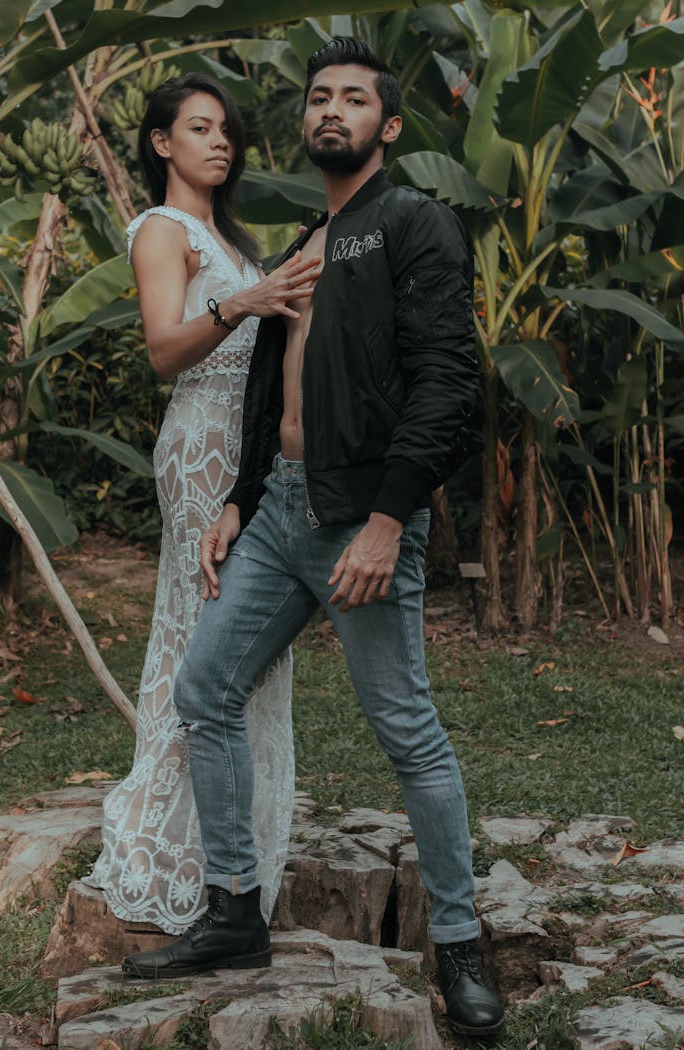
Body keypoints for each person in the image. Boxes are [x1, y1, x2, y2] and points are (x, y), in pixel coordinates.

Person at [122, 42, 504, 1039]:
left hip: (357, 521)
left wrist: (387, 518)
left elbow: (449, 389)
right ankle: (235, 913)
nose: (331, 109)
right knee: (203, 689)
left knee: (406, 728)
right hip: (279, 513)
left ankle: (461, 941)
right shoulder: (301, 240)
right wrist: (242, 497)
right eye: (318, 97)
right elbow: (266, 388)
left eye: (354, 99)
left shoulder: (413, 224)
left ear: (388, 126)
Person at [86, 73, 320, 935]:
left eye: (226, 130)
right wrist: (244, 298)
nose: (219, 142)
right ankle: (181, 850)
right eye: (198, 128)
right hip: (198, 453)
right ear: (161, 143)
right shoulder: (162, 231)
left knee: (247, 651)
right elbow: (162, 349)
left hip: (250, 453)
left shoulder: (233, 236)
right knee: (204, 630)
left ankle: (237, 851)